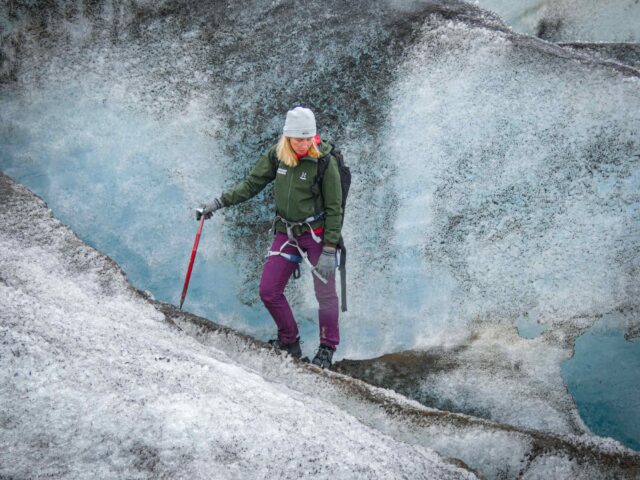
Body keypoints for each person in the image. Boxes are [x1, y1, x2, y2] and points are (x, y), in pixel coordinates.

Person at [196, 106, 343, 368]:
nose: (304, 144)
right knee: (268, 290)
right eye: (298, 139)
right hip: (286, 232)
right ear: (287, 137)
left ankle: (327, 348)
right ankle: (290, 341)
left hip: (316, 236)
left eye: (308, 138)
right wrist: (218, 203)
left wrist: (330, 249)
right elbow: (251, 184)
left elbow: (334, 209)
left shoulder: (324, 162)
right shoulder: (277, 156)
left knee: (326, 294)